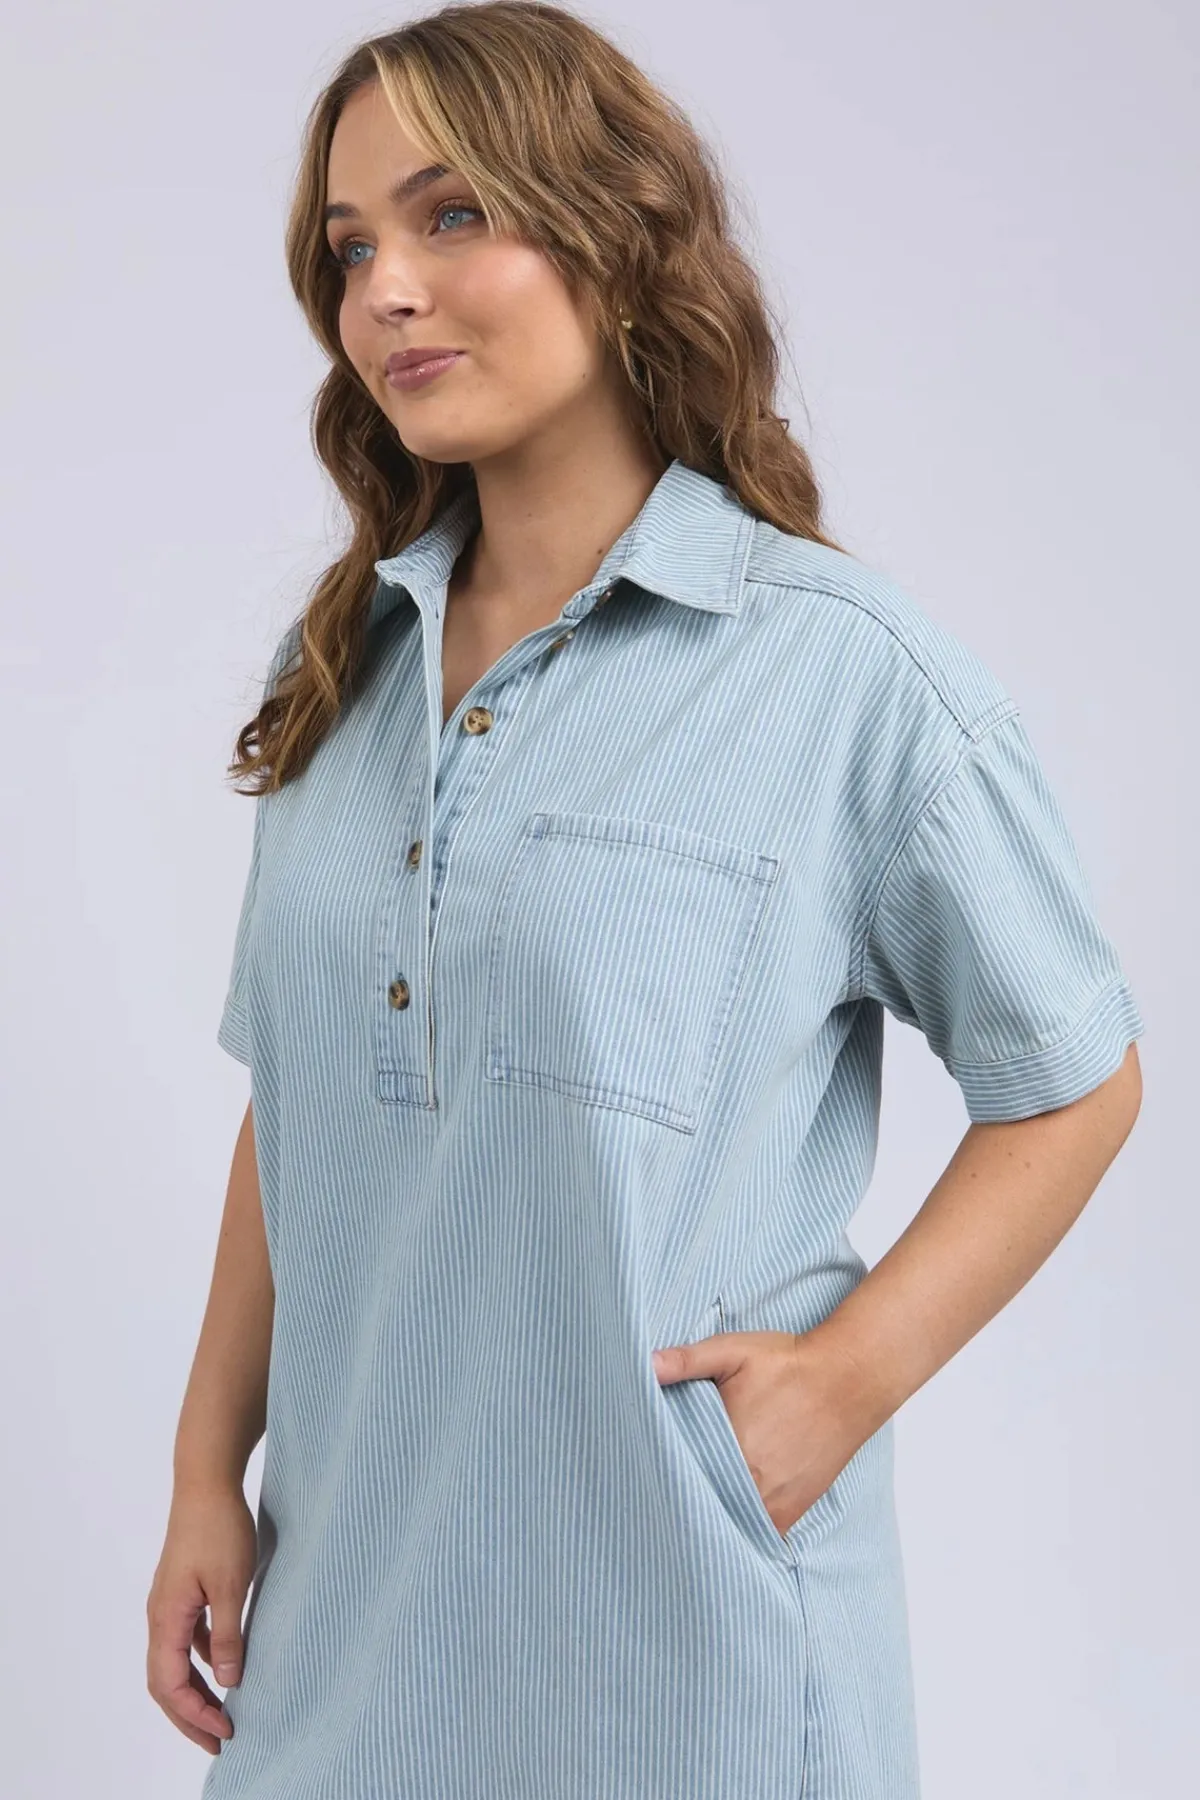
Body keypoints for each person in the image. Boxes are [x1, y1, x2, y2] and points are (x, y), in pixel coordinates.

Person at [145, 5, 1144, 1797]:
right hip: (343, 1647)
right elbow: (293, 1105)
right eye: (351, 249)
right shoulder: (345, 675)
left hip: (691, 1664)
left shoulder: (840, 678)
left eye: (452, 216)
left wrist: (847, 1380)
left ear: (612, 236)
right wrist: (204, 1472)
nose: (386, 292)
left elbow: (1076, 1078)